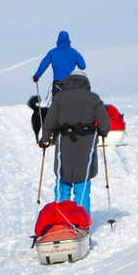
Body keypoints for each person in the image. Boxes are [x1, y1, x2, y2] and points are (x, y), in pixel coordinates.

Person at [39, 72, 109, 213]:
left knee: (62, 179)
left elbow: (49, 122)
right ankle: (81, 220)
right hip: (86, 145)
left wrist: (45, 139)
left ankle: (62, 218)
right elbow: (105, 124)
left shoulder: (59, 98)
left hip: (64, 143)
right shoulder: (94, 98)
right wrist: (102, 132)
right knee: (82, 182)